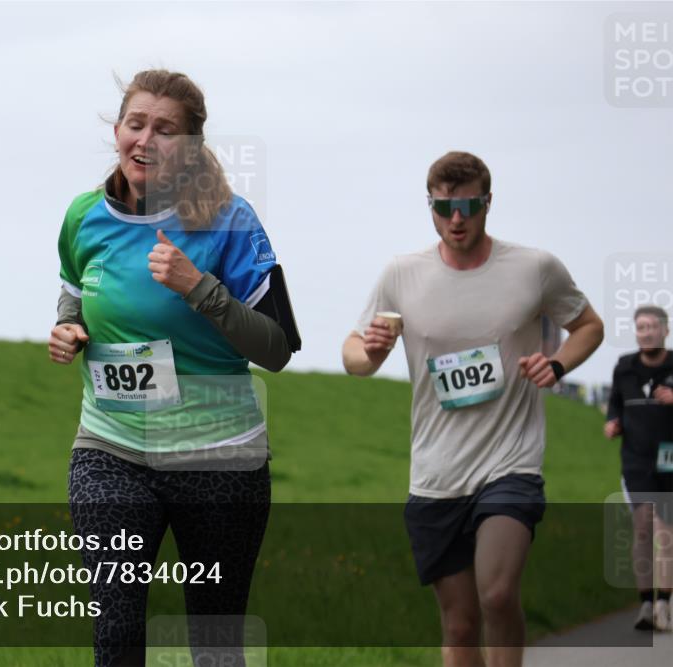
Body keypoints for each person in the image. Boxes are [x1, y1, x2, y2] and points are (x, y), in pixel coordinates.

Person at [47, 69, 300, 667]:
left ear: (189, 147)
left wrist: (200, 288)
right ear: (117, 131)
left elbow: (278, 348)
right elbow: (73, 288)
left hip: (219, 457)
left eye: (165, 130)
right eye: (136, 124)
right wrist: (68, 328)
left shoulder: (230, 222)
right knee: (115, 625)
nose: (146, 140)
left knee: (213, 646)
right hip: (110, 449)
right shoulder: (83, 216)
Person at [342, 151, 604, 667]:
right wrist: (370, 352)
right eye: (444, 208)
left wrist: (558, 364)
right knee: (460, 625)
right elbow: (353, 354)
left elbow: (589, 326)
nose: (456, 220)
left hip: (511, 463)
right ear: (431, 206)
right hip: (437, 473)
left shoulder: (534, 268)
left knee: (498, 594)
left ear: (488, 203)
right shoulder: (403, 274)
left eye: (468, 206)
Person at [604, 305, 673, 632]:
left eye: (652, 327)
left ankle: (665, 601)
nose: (646, 333)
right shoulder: (624, 368)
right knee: (643, 528)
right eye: (640, 328)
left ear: (665, 331)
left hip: (670, 459)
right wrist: (612, 422)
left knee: (666, 533)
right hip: (636, 460)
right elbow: (615, 402)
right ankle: (646, 601)